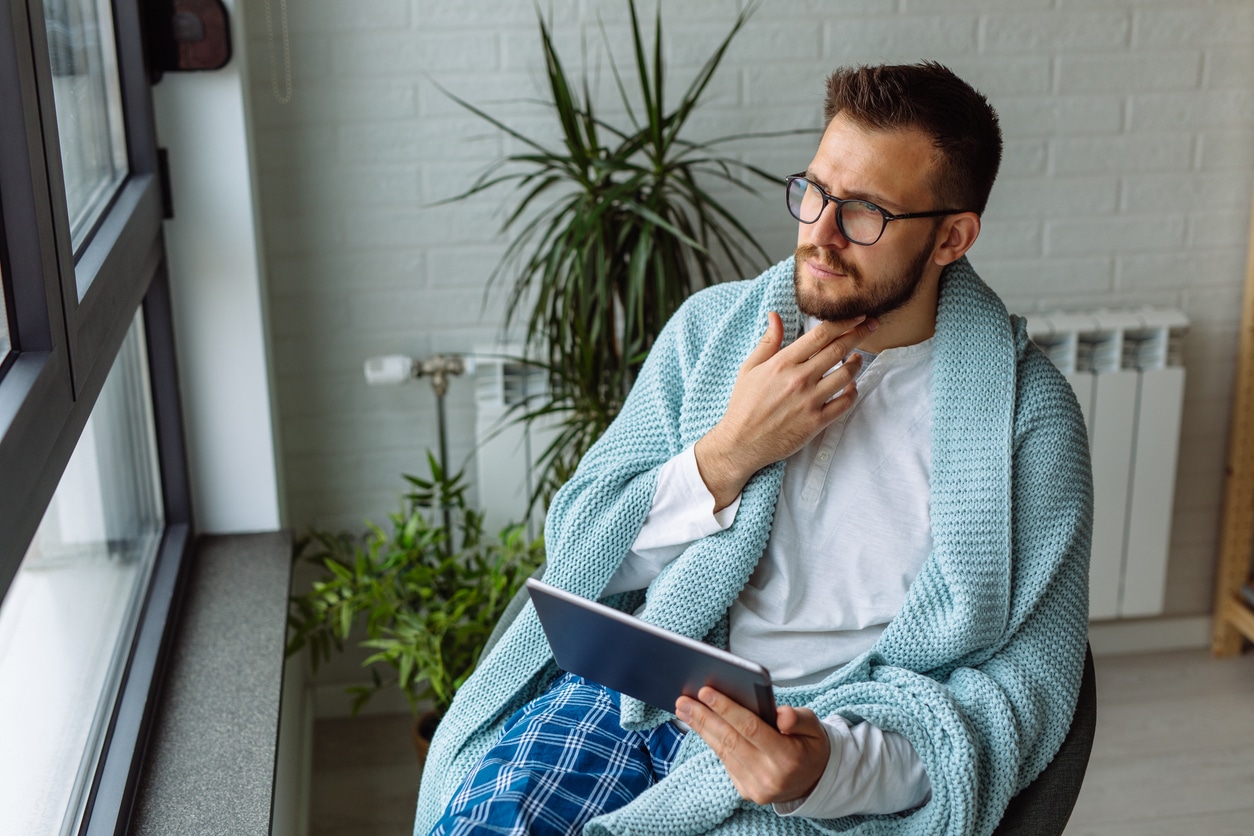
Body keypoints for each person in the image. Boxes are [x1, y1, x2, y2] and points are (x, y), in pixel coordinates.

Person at [414, 62, 1092, 836]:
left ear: (951, 237)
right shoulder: (712, 332)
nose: (821, 235)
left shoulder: (1026, 423)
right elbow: (579, 552)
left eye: (865, 212)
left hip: (810, 755)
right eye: (815, 193)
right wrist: (728, 454)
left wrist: (825, 769)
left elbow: (1020, 693)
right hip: (634, 700)